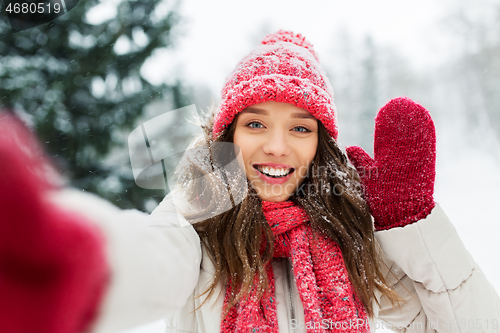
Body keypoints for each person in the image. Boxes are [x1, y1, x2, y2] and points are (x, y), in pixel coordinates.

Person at [0, 30, 499, 333]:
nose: (277, 147)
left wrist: (412, 226)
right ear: (227, 134)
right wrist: (64, 257)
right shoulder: (198, 214)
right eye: (256, 123)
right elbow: (152, 261)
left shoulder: (349, 233)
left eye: (300, 128)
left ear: (320, 144)